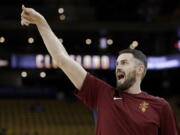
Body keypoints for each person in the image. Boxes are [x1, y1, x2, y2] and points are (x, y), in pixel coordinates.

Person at [20, 5, 180, 135]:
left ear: (139, 70)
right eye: (117, 64)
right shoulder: (102, 94)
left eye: (124, 63)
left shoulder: (160, 106)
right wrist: (41, 23)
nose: (118, 67)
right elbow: (63, 60)